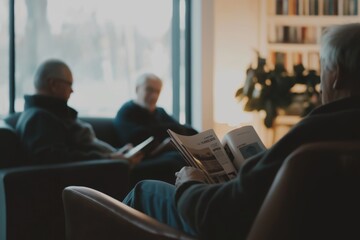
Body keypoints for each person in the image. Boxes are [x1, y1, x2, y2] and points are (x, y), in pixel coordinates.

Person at [122, 23, 360, 240]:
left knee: (145, 191)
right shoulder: (341, 132)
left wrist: (189, 184)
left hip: (230, 227)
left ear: (336, 75)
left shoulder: (312, 133)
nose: (320, 83)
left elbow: (219, 213)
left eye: (323, 70)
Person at [15, 59, 185, 185]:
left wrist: (118, 153)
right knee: (173, 162)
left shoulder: (51, 114)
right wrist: (111, 158)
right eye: (69, 84)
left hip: (112, 163)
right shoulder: (39, 117)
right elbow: (55, 159)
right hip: (107, 170)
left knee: (175, 158)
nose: (72, 90)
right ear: (52, 84)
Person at [114, 73, 198, 155]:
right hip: (141, 160)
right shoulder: (126, 112)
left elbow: (181, 129)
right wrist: (168, 130)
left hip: (162, 155)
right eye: (149, 90)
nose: (154, 96)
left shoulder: (160, 111)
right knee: (176, 158)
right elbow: (137, 138)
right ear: (137, 89)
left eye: (157, 92)